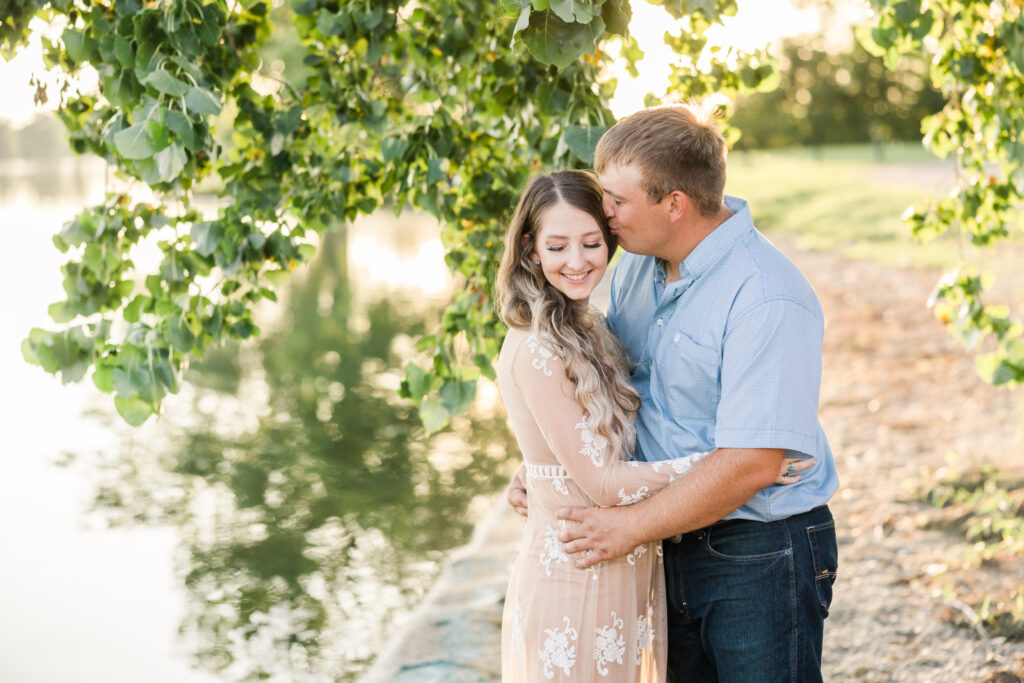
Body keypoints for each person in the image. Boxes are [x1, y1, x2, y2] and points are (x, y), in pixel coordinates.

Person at [505, 104, 841, 682]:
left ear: (674, 204)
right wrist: (549, 464)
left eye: (615, 200)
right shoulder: (639, 267)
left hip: (756, 550)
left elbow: (754, 464)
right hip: (663, 546)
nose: (603, 215)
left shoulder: (767, 298)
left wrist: (630, 526)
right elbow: (613, 391)